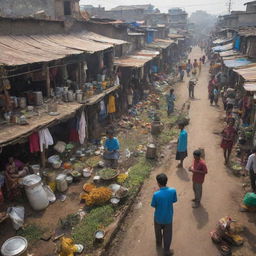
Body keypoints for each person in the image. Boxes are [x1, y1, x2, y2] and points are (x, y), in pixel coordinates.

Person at [151, 173, 177, 256]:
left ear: (158, 183)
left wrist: (156, 193)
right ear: (166, 181)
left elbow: (153, 205)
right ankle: (166, 251)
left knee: (158, 232)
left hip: (158, 218)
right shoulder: (173, 191)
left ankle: (158, 243)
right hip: (168, 218)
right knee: (168, 235)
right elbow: (174, 200)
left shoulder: (156, 194)